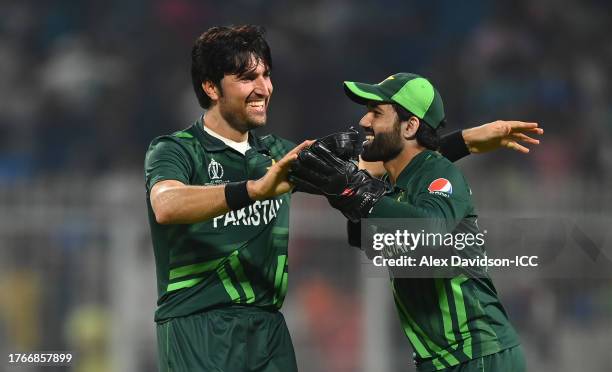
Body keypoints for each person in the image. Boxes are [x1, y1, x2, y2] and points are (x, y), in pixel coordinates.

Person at [144, 25, 540, 372]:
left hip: (266, 329)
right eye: (247, 78)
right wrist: (253, 190)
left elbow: (386, 168)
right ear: (211, 87)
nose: (263, 88)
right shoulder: (176, 150)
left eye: (266, 75)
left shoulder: (278, 154)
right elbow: (166, 204)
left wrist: (463, 141)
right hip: (197, 324)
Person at [290, 73, 527, 371]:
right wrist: (347, 193)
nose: (364, 122)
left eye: (376, 113)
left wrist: (359, 192)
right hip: (441, 360)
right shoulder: (393, 185)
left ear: (410, 125)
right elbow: (367, 241)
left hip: (477, 354)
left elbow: (429, 230)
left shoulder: (439, 174)